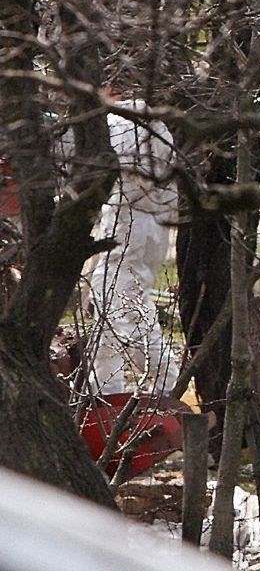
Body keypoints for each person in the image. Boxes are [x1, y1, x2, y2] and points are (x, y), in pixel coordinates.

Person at [87, 100, 180, 396]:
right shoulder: (156, 123)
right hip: (146, 226)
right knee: (113, 315)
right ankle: (105, 396)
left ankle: (167, 387)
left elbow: (100, 171)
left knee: (120, 313)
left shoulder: (121, 121)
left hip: (130, 225)